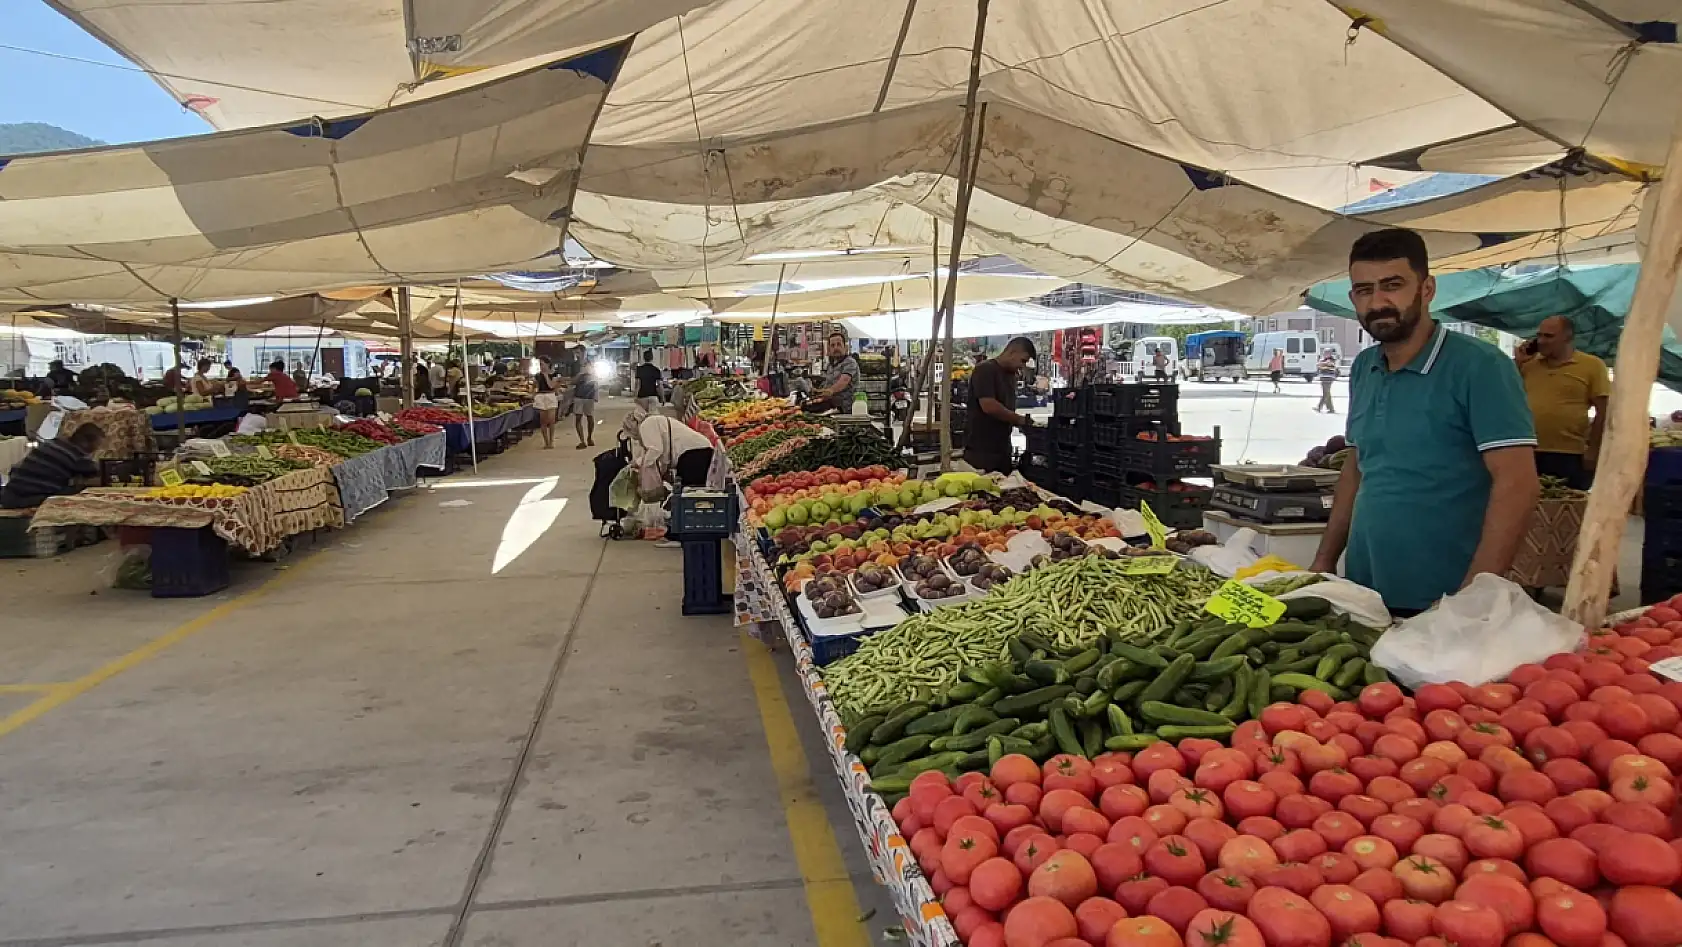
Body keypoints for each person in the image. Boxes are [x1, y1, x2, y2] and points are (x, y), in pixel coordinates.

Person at [1310, 228, 1539, 615]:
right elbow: (1358, 466)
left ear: (1427, 289)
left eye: (1393, 285)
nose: (1378, 301)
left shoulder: (1480, 367)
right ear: (1353, 298)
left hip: (1445, 600)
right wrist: (1324, 561)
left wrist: (1475, 593)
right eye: (1364, 290)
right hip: (1364, 592)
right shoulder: (1364, 367)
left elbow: (1518, 484)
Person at [1515, 315, 1609, 490]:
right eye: (1539, 335)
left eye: (1549, 336)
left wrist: (1593, 450)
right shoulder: (1529, 365)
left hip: (1569, 452)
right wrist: (1518, 364)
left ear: (1568, 337)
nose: (1542, 341)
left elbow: (1603, 411)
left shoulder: (1592, 365)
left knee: (1566, 505)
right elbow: (1506, 394)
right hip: (1528, 449)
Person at [964, 337, 1038, 474]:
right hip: (982, 451)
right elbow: (989, 405)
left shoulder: (1010, 375)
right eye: (1022, 360)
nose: (1022, 366)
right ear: (1012, 352)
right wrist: (1018, 419)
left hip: (1002, 448)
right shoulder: (985, 369)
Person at [1, 423, 103, 509]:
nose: (97, 448)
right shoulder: (77, 456)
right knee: (81, 491)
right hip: (27, 498)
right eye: (97, 444)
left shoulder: (53, 442)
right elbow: (99, 472)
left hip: (9, 494)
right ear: (85, 442)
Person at [623, 406, 716, 490]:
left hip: (694, 454)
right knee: (690, 492)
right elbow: (663, 457)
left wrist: (640, 464)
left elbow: (655, 450)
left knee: (690, 493)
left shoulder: (646, 425)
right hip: (699, 451)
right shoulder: (652, 422)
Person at [808, 331, 860, 412]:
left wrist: (830, 391)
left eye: (839, 344)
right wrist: (818, 392)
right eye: (832, 345)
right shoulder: (831, 365)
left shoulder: (850, 362)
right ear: (829, 349)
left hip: (845, 409)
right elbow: (827, 385)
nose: (836, 348)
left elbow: (844, 381)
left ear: (845, 347)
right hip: (831, 406)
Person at [568, 362, 598, 450]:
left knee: (590, 418)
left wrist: (596, 396)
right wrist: (580, 374)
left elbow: (596, 385)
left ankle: (589, 437)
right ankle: (582, 440)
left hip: (589, 398)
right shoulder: (580, 375)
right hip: (579, 398)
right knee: (578, 418)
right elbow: (572, 382)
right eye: (585, 366)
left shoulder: (593, 375)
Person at [532, 358, 560, 450]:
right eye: (540, 364)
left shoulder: (555, 374)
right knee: (543, 421)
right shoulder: (537, 375)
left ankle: (551, 441)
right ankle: (546, 441)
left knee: (551, 420)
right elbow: (535, 386)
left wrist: (546, 375)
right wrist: (534, 394)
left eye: (542, 364)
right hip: (541, 396)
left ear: (548, 364)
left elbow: (551, 385)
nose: (541, 366)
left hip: (550, 395)